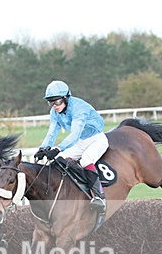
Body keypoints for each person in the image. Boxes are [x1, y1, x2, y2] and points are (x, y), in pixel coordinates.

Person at [34, 80, 107, 209]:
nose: (55, 106)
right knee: (59, 159)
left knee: (86, 160)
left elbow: (75, 134)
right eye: (51, 102)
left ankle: (99, 197)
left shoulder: (79, 108)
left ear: (66, 98)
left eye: (57, 102)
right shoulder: (54, 112)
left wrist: (57, 148)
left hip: (96, 139)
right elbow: (52, 133)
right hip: (81, 142)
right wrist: (43, 148)